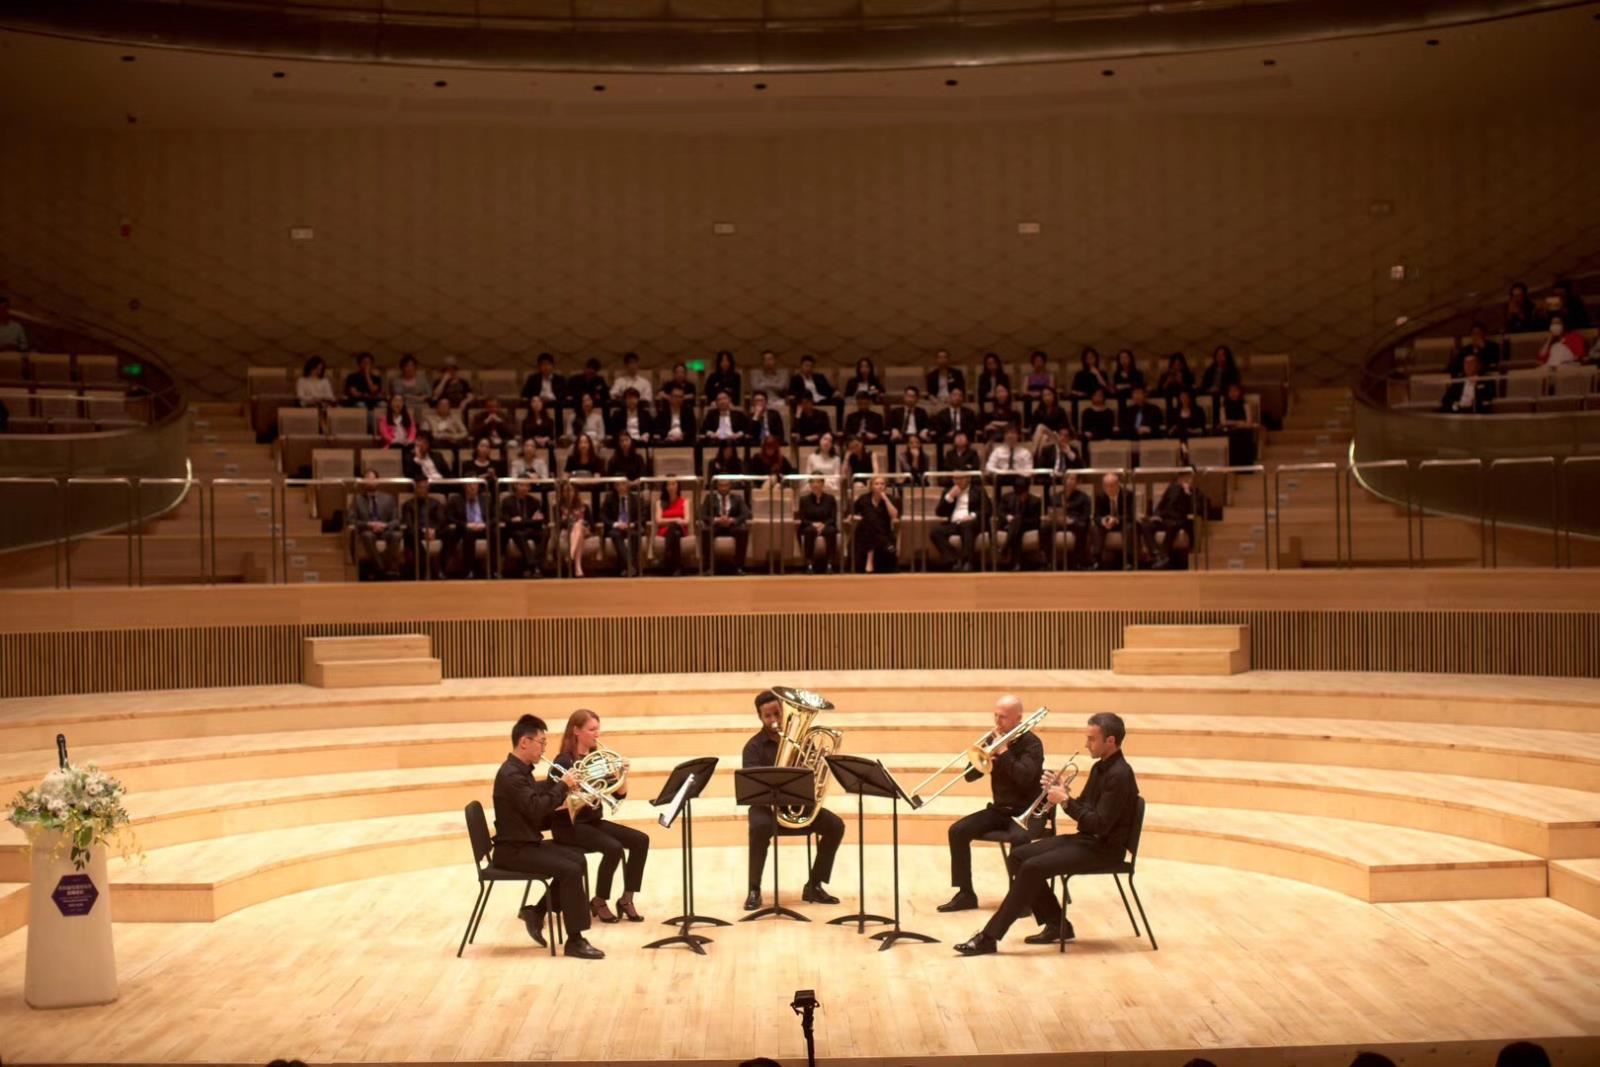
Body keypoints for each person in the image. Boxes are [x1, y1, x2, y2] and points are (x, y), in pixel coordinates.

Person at [955, 712, 1138, 955]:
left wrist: (1065, 802)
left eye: (1092, 739)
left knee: (1032, 867)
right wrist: (1063, 793)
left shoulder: (1120, 775)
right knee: (1018, 856)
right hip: (1087, 840)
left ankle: (989, 936)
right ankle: (1057, 924)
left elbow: (1099, 825)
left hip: (1104, 849)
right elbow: (1085, 807)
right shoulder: (1099, 768)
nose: (1086, 744)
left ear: (1111, 741)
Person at [492, 714, 602, 959]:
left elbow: (533, 797)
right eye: (541, 742)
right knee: (570, 870)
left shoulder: (520, 772)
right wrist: (562, 786)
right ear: (524, 742)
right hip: (514, 850)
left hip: (526, 842)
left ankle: (537, 911)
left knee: (577, 859)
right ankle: (575, 940)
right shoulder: (511, 776)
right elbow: (536, 808)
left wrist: (565, 790)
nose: (544, 749)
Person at [936, 695, 1046, 913]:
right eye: (995, 715)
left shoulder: (1032, 744)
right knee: (958, 831)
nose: (997, 721)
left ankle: (1020, 899)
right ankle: (965, 894)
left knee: (1019, 838)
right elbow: (970, 777)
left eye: (1003, 717)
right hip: (1000, 811)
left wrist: (1004, 754)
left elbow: (1025, 778)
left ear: (1018, 718)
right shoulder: (992, 740)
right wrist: (983, 761)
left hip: (1028, 812)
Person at [742, 690, 845, 910]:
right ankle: (754, 890)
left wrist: (818, 763)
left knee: (835, 826)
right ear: (760, 718)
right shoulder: (753, 748)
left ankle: (814, 885)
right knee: (758, 828)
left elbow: (813, 778)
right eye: (767, 716)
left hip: (798, 806)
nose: (774, 720)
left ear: (784, 713)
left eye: (777, 714)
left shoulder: (803, 742)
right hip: (766, 809)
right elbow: (753, 787)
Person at [547, 710, 649, 924]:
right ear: (576, 731)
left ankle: (627, 899)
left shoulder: (598, 759)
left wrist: (622, 774)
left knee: (641, 840)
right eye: (592, 729)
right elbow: (552, 800)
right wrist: (577, 792)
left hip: (592, 821)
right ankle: (599, 901)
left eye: (598, 729)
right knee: (614, 848)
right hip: (569, 826)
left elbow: (619, 794)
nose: (597, 734)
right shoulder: (563, 762)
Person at [350, 468, 402, 579]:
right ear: (363, 482)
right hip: (368, 531)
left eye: (372, 478)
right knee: (367, 535)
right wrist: (369, 524)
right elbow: (351, 519)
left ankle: (385, 568)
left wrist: (386, 525)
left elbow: (396, 519)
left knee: (397, 535)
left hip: (385, 530)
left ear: (378, 481)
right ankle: (382, 569)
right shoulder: (357, 499)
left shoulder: (388, 498)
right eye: (367, 478)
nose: (370, 481)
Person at [932, 473, 989, 572]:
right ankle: (954, 561)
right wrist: (949, 497)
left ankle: (967, 562)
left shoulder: (978, 490)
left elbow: (987, 509)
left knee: (967, 526)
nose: (957, 481)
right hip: (954, 523)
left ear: (968, 478)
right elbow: (939, 512)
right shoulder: (948, 491)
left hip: (972, 522)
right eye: (955, 478)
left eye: (960, 478)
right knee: (935, 532)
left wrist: (972, 516)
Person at [1140, 470, 1196, 569]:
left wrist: (1187, 494)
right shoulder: (1171, 488)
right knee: (1146, 525)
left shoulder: (1194, 492)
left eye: (1188, 478)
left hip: (1179, 520)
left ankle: (1164, 555)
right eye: (1184, 478)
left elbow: (1194, 509)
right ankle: (1156, 553)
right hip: (1164, 518)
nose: (1186, 481)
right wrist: (1156, 515)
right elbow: (1161, 503)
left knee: (1172, 525)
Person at [500, 477, 550, 577]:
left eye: (527, 485)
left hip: (532, 529)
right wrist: (528, 521)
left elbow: (539, 521)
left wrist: (521, 521)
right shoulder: (507, 501)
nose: (524, 488)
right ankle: (534, 566)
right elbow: (506, 520)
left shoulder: (535, 501)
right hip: (516, 531)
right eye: (522, 485)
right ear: (515, 485)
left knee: (545, 534)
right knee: (519, 535)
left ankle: (530, 564)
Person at [700, 477, 751, 574]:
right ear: (717, 486)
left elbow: (746, 513)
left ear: (730, 486)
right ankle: (708, 567)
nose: (723, 488)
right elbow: (702, 514)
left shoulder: (737, 498)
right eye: (721, 485)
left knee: (743, 531)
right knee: (706, 531)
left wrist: (733, 520)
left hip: (732, 526)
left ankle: (739, 567)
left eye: (726, 485)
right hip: (716, 526)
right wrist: (716, 520)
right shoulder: (709, 498)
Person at [850, 474, 899, 573]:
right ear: (871, 486)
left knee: (871, 523)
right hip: (864, 533)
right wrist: (858, 518)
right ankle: (876, 552)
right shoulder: (863, 499)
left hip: (884, 532)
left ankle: (870, 557)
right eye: (876, 484)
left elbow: (894, 515)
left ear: (885, 486)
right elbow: (850, 514)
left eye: (882, 484)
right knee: (868, 521)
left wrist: (885, 499)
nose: (879, 486)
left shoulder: (890, 498)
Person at [444, 480, 491, 579]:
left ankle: (494, 570)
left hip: (483, 528)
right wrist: (466, 525)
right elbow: (449, 517)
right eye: (469, 485)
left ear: (478, 486)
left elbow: (496, 516)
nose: (472, 487)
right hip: (465, 528)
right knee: (468, 534)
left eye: (475, 485)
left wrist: (485, 524)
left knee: (497, 533)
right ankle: (469, 571)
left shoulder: (486, 499)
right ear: (464, 486)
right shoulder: (456, 499)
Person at [400, 478, 445, 580]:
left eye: (425, 487)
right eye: (420, 487)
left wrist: (433, 530)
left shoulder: (435, 503)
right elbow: (408, 523)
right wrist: (423, 532)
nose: (422, 490)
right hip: (416, 533)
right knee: (409, 534)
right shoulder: (408, 505)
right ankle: (428, 566)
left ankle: (442, 569)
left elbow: (441, 521)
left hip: (434, 532)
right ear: (415, 489)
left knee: (450, 532)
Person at [600, 479, 646, 576]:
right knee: (615, 534)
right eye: (618, 485)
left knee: (635, 535)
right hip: (616, 527)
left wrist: (633, 524)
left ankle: (625, 568)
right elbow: (603, 516)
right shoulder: (609, 498)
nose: (621, 487)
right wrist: (615, 524)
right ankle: (631, 566)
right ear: (615, 486)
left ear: (628, 485)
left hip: (632, 526)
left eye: (623, 484)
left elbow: (643, 516)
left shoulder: (636, 498)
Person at [795, 475, 839, 573]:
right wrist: (813, 524)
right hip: (810, 525)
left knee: (831, 531)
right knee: (809, 531)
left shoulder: (830, 499)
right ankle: (809, 563)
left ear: (823, 484)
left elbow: (833, 518)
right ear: (810, 485)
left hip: (826, 525)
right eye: (813, 482)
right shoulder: (804, 499)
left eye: (818, 482)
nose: (815, 485)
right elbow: (803, 519)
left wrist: (823, 525)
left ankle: (830, 563)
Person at [1093, 471, 1135, 569]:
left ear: (1118, 485)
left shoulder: (1128, 494)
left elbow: (1130, 515)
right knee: (1096, 528)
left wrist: (1116, 519)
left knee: (1129, 527)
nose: (1109, 489)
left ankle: (1129, 561)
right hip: (1107, 523)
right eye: (1106, 486)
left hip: (1122, 522)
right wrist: (1103, 520)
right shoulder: (1100, 495)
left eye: (1112, 486)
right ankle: (1097, 561)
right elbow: (1096, 516)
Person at [996, 482, 1042, 571]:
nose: (1020, 497)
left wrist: (1019, 520)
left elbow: (1036, 520)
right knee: (1017, 530)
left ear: (1027, 492)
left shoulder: (1035, 501)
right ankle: (1017, 563)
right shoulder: (1007, 497)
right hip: (1009, 525)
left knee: (1018, 521)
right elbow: (999, 512)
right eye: (1018, 495)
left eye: (1022, 495)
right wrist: (1007, 517)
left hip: (1027, 524)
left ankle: (1006, 548)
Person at [654, 478, 692, 575]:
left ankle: (667, 556)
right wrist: (675, 520)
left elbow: (687, 521)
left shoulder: (685, 502)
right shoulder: (660, 502)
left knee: (675, 528)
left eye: (673, 484)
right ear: (665, 487)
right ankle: (677, 567)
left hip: (681, 529)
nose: (671, 487)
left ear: (678, 486)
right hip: (665, 531)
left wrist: (673, 522)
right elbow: (658, 521)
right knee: (675, 532)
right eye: (669, 484)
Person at [556, 480, 591, 578]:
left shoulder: (584, 506)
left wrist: (581, 523)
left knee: (579, 525)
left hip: (585, 530)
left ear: (575, 491)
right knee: (578, 529)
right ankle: (578, 568)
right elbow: (558, 523)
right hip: (567, 532)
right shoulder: (558, 506)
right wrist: (572, 523)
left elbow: (591, 523)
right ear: (562, 493)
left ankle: (570, 554)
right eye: (565, 491)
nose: (568, 493)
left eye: (570, 490)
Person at [1059, 471, 1093, 570]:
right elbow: (1051, 511)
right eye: (1067, 478)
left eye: (1072, 479)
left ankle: (1076, 562)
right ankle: (1050, 561)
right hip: (1058, 522)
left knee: (1082, 527)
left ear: (1077, 482)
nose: (1069, 481)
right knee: (1044, 528)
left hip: (1074, 523)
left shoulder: (1084, 498)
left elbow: (1086, 516)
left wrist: (1072, 520)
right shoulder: (1056, 496)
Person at [1219, 382, 1258, 465]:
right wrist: (1237, 422)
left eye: (1235, 391)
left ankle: (1246, 464)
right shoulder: (1224, 406)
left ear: (1240, 392)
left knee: (1246, 434)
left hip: (1243, 429)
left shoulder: (1245, 405)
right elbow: (1223, 422)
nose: (1233, 393)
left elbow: (1249, 421)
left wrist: (1240, 425)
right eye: (1231, 391)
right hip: (1230, 430)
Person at [343, 352, 385, 421]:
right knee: (361, 405)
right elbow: (354, 393)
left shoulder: (376, 378)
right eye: (364, 363)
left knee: (383, 405)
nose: (367, 365)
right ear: (359, 364)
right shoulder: (352, 377)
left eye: (369, 363)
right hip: (358, 401)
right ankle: (367, 426)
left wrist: (367, 375)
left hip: (374, 401)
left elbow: (373, 390)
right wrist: (364, 395)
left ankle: (380, 426)